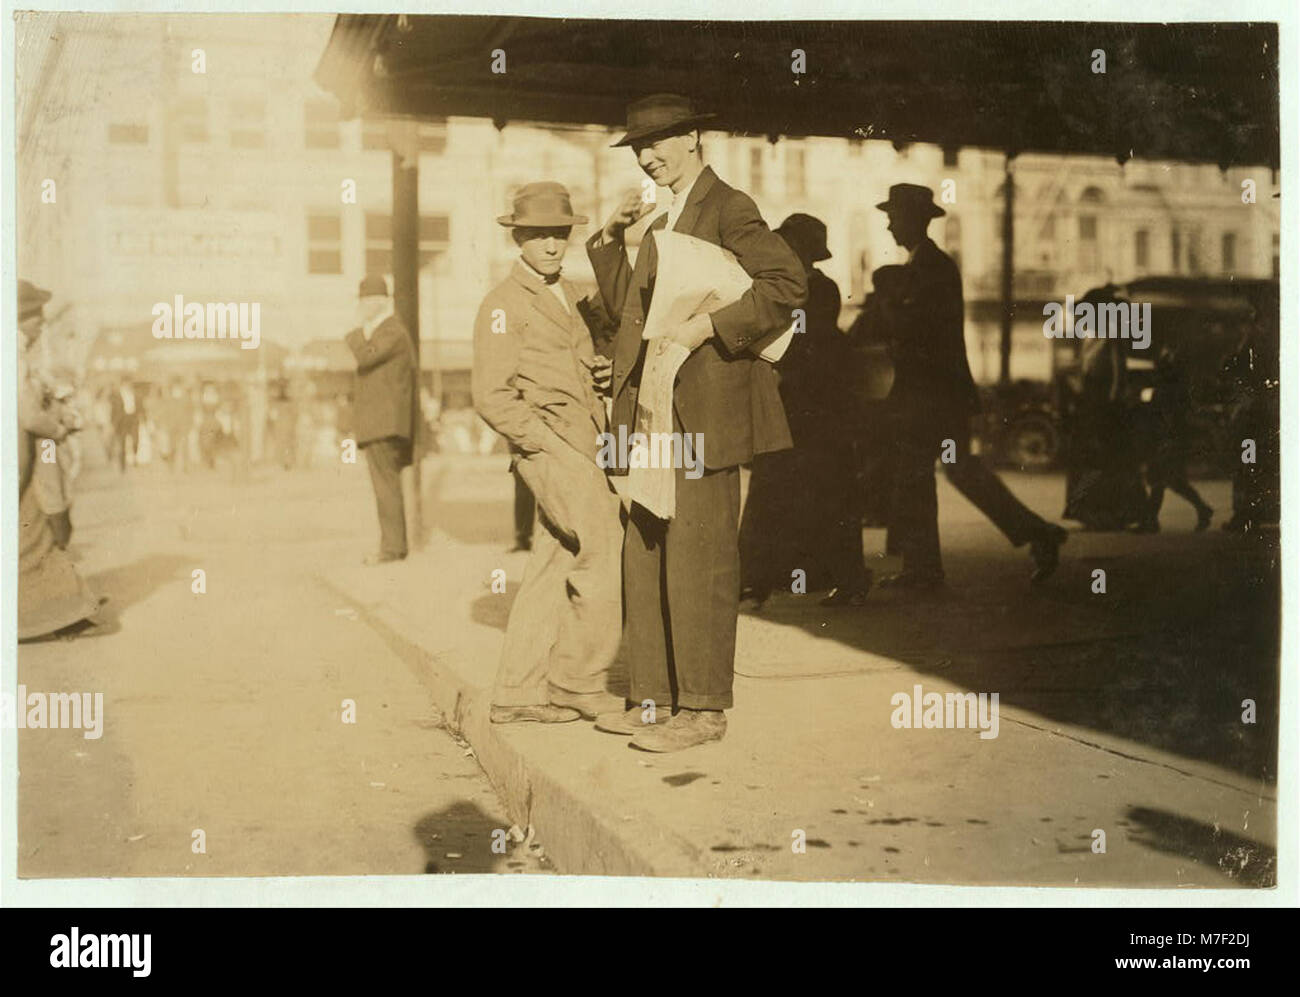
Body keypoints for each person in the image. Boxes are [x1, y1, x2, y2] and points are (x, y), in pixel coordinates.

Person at [587, 94, 807, 751]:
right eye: (639, 148)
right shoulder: (659, 217)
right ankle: (651, 698)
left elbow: (787, 284)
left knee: (701, 557)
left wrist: (709, 326)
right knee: (645, 548)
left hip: (705, 408)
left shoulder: (728, 206)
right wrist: (609, 239)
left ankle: (704, 709)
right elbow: (631, 309)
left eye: (658, 142)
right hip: (654, 406)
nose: (648, 156)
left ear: (693, 138)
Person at [472, 182, 626, 725]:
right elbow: (490, 393)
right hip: (556, 447)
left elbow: (578, 360)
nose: (552, 245)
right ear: (518, 237)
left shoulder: (569, 293)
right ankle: (577, 682)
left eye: (559, 234)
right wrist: (540, 444)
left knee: (553, 560)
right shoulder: (501, 304)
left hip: (584, 441)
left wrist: (601, 370)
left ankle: (518, 692)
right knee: (605, 549)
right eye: (539, 235)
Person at [868, 184, 1067, 589]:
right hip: (939, 394)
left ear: (912, 219)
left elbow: (914, 330)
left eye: (894, 216)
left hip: (932, 397)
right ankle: (1035, 534)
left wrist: (886, 308)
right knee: (953, 472)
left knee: (920, 476)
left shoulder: (930, 269)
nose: (889, 225)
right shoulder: (928, 266)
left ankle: (926, 569)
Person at [740, 213, 871, 607]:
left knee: (806, 491)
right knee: (798, 490)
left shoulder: (815, 291)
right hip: (807, 408)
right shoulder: (809, 288)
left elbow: (804, 344)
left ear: (800, 252)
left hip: (811, 408)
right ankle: (758, 579)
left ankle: (762, 580)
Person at [17, 280, 107, 641]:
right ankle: (63, 610)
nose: (41, 325)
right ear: (19, 318)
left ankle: (68, 609)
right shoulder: (15, 355)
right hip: (20, 458)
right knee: (35, 536)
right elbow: (27, 416)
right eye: (36, 317)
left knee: (33, 537)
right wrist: (58, 428)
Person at [1061, 292, 1149, 531]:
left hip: (1107, 405)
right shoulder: (1088, 337)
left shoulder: (1112, 336)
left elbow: (1118, 372)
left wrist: (1113, 401)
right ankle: (1093, 512)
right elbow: (1084, 369)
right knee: (1091, 457)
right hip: (1091, 401)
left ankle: (1123, 513)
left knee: (1110, 458)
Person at [345, 274, 416, 564]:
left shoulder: (391, 331)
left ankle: (392, 548)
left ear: (378, 302)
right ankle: (394, 546)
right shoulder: (389, 330)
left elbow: (366, 356)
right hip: (383, 424)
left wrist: (356, 332)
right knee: (387, 485)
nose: (361, 306)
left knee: (385, 486)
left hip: (383, 424)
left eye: (365, 301)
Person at [1135, 346, 1212, 532]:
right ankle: (1201, 509)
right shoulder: (1169, 388)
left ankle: (1151, 521)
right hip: (1167, 437)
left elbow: (1168, 416)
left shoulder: (1168, 390)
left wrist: (1164, 439)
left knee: (1161, 479)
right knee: (1169, 480)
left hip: (1168, 438)